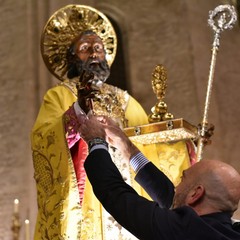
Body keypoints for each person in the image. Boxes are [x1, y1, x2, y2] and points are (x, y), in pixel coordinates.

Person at [31, 4, 195, 240]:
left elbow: (148, 144)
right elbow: (43, 137)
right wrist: (76, 112)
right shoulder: (60, 94)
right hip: (90, 194)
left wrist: (182, 142)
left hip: (130, 195)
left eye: (98, 48)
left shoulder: (125, 99)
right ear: (72, 56)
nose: (95, 53)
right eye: (85, 48)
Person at [80, 115, 240, 240]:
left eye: (182, 179)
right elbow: (172, 200)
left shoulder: (188, 231)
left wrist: (96, 141)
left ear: (195, 193)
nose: (177, 186)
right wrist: (126, 146)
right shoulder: (229, 229)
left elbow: (115, 193)